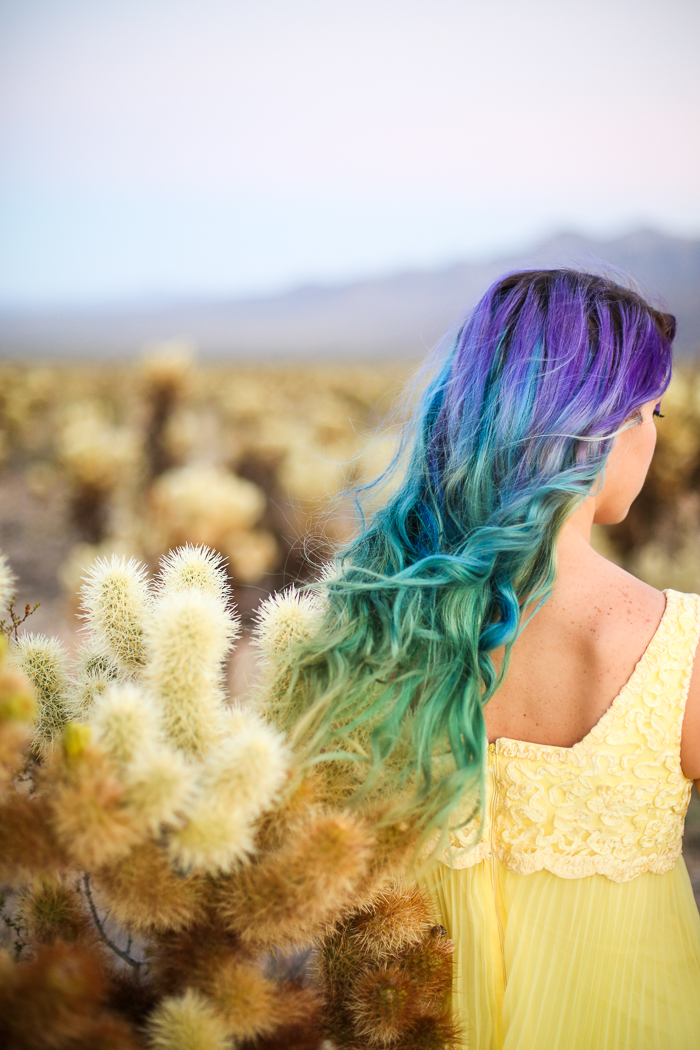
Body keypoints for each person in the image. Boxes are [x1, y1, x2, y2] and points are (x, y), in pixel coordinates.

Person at [284, 269, 699, 1047]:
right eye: (654, 412)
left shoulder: (366, 622)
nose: (656, 436)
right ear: (608, 427)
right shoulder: (678, 645)